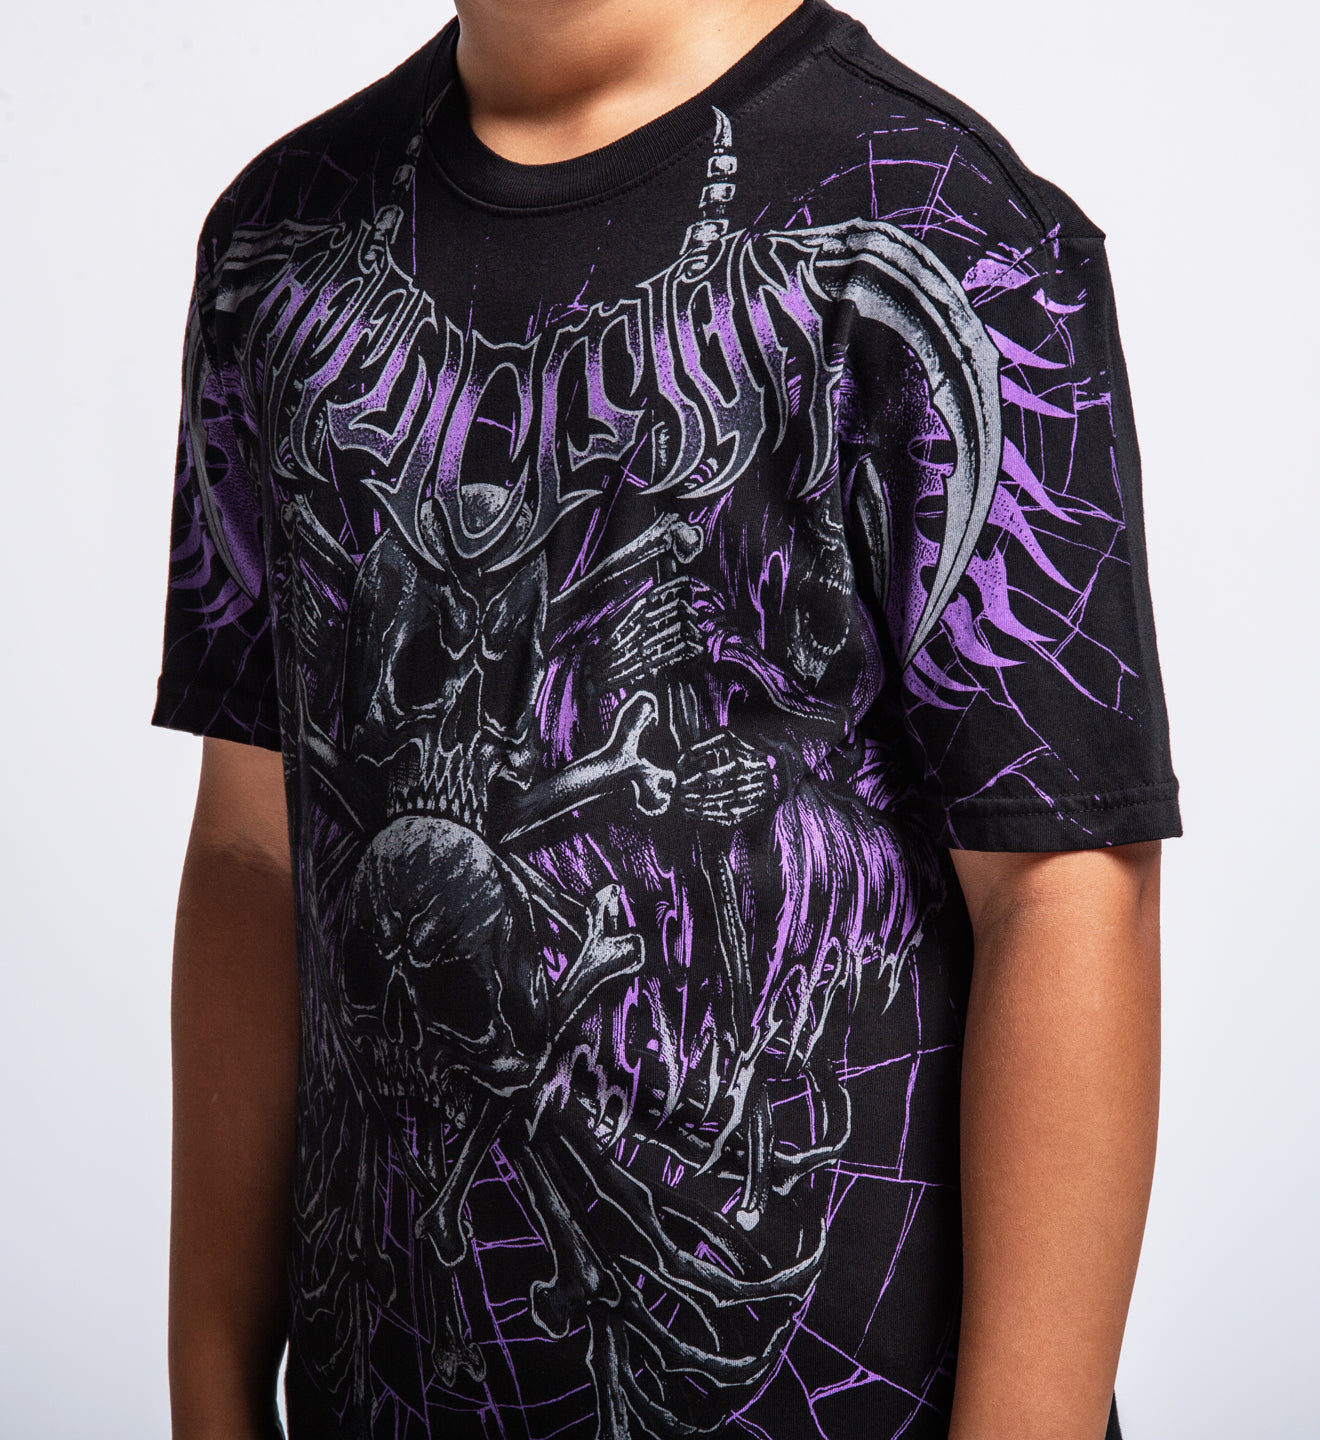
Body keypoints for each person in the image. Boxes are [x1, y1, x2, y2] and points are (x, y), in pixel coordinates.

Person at [151, 2, 1180, 1437]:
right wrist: (209, 1391)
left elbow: (1066, 893)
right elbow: (256, 848)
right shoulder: (281, 247)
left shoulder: (943, 235)